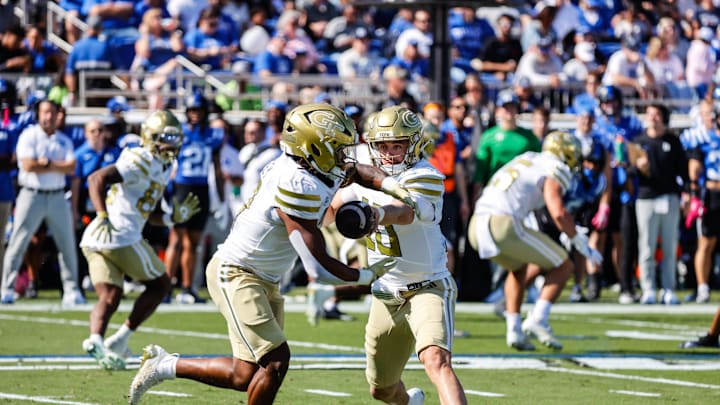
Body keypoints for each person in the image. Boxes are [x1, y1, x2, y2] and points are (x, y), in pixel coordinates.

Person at [128, 103, 422, 405]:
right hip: (237, 272)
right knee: (276, 361)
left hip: (262, 277)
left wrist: (396, 188)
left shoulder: (314, 166)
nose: (342, 155)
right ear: (313, 147)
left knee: (244, 375)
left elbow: (358, 171)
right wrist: (367, 276)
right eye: (335, 147)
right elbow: (317, 267)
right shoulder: (295, 182)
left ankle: (163, 365)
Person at [327, 106, 467, 404]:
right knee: (382, 390)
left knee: (436, 360)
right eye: (382, 145)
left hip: (427, 286)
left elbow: (405, 213)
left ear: (413, 144)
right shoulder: (363, 172)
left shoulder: (425, 174)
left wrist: (375, 213)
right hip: (386, 294)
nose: (389, 153)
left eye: (397, 145)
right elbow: (330, 210)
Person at [79, 110, 199, 370]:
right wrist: (101, 214)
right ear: (151, 137)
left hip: (96, 239)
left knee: (110, 295)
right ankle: (121, 341)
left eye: (176, 138)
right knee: (161, 285)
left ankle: (95, 339)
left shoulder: (162, 166)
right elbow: (96, 178)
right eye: (167, 138)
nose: (172, 144)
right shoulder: (140, 158)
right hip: (120, 236)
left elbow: (151, 212)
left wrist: (171, 218)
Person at [469, 131, 602, 350]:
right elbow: (557, 211)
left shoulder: (529, 158)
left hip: (477, 224)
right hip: (503, 223)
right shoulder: (555, 167)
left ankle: (514, 330)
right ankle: (539, 318)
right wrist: (577, 238)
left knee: (518, 267)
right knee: (564, 265)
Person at [0, 100, 85, 305]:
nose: (49, 116)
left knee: (66, 244)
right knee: (18, 242)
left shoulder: (64, 140)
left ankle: (71, 289)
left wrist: (45, 163)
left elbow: (71, 167)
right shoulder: (28, 136)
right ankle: (6, 289)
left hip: (57, 195)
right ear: (38, 114)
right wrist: (56, 165)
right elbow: (28, 165)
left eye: (53, 112)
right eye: (45, 112)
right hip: (32, 195)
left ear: (57, 115)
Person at [164, 91, 224, 304]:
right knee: (176, 240)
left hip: (201, 189)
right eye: (192, 110)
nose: (195, 114)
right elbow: (166, 160)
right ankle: (166, 287)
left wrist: (223, 199)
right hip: (182, 187)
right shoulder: (179, 133)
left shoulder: (213, 135)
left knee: (194, 243)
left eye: (198, 110)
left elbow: (216, 168)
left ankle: (187, 288)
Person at [633, 104, 688, 305]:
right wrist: (637, 167)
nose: (653, 118)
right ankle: (648, 288)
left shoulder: (672, 141)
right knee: (646, 247)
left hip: (669, 198)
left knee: (669, 246)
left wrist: (687, 195)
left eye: (656, 115)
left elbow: (683, 170)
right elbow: (629, 172)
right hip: (646, 198)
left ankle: (668, 288)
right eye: (650, 114)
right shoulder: (639, 142)